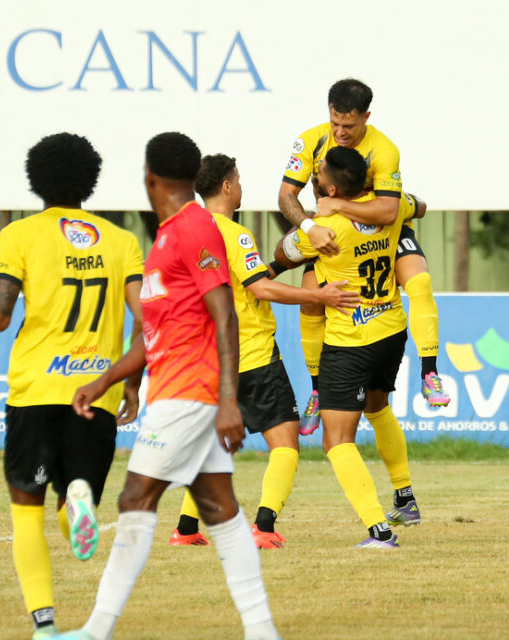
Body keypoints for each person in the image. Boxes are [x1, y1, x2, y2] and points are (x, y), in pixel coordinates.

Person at [56, 133, 278, 640]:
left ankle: (95, 630)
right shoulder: (166, 238)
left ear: (150, 178)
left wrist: (229, 401)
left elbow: (225, 315)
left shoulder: (195, 227)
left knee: (136, 499)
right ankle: (262, 630)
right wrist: (108, 379)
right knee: (221, 511)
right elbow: (155, 332)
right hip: (178, 391)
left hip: (189, 395)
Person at [0, 132, 143, 638]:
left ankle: (44, 627)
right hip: (97, 391)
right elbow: (147, 321)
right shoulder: (122, 242)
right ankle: (76, 505)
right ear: (90, 179)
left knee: (26, 510)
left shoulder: (19, 235)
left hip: (36, 391)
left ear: (36, 179)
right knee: (74, 496)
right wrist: (130, 381)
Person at [169, 154, 359, 549]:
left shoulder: (184, 234)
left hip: (209, 358)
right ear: (226, 186)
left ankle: (186, 529)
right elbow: (260, 287)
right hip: (252, 355)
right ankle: (264, 527)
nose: (240, 187)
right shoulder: (234, 234)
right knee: (285, 443)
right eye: (237, 180)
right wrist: (318, 295)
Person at [278, 78, 449, 438]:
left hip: (382, 231)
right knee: (310, 302)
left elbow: (388, 211)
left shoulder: (384, 149)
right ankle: (316, 389)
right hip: (331, 236)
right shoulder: (310, 141)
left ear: (366, 117)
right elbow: (286, 197)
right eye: (335, 123)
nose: (340, 132)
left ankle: (430, 373)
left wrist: (338, 206)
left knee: (419, 282)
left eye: (349, 126)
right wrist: (310, 227)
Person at [275, 146, 427, 547]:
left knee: (336, 440)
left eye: (319, 174)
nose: (315, 176)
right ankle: (405, 497)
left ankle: (379, 530)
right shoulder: (390, 211)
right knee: (378, 408)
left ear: (329, 188)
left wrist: (310, 222)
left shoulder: (327, 229)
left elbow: (282, 253)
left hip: (350, 342)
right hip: (391, 330)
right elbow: (419, 207)